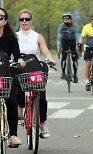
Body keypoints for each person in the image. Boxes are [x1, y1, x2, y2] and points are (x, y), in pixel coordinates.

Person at [16, 9, 56, 138]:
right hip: (21, 69)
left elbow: (45, 51)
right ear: (19, 21)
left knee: (42, 98)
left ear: (31, 21)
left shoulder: (37, 36)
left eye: (27, 19)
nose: (24, 22)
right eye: (22, 19)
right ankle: (20, 111)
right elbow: (12, 53)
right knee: (17, 89)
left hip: (35, 70)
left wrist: (50, 59)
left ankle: (43, 125)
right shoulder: (15, 36)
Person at [0, 7, 26, 147]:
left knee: (11, 101)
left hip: (6, 75)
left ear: (5, 21)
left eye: (0, 17)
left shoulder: (10, 38)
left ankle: (13, 135)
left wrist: (20, 61)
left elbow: (17, 55)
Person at [57, 12, 79, 83]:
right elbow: (59, 38)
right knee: (64, 57)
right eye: (65, 19)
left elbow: (77, 36)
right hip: (64, 41)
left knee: (74, 59)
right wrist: (59, 48)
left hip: (73, 41)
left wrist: (77, 46)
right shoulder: (61, 27)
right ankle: (63, 73)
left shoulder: (74, 26)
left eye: (68, 19)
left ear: (71, 19)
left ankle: (75, 75)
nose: (66, 21)